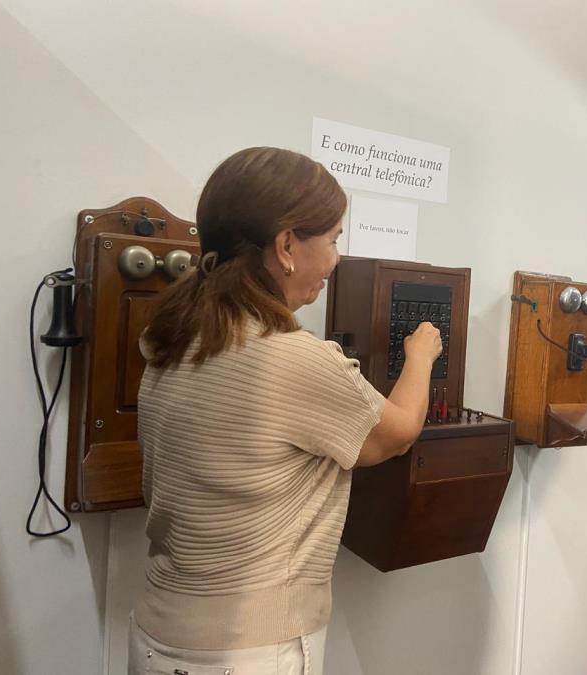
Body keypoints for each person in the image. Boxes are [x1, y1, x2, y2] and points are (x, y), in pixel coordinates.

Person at [127, 147, 441, 675]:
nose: (336, 259)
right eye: (334, 240)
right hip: (249, 648)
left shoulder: (172, 338)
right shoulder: (290, 358)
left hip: (158, 634)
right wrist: (421, 355)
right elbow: (398, 433)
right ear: (287, 245)